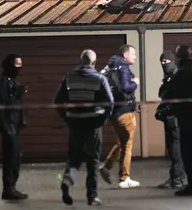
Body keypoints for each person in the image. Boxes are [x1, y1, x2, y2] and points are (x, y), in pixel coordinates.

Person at [54, 49, 114, 206]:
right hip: (93, 124)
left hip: (75, 124)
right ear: (94, 62)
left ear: (81, 61)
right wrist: (103, 119)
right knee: (92, 161)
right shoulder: (100, 78)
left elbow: (58, 101)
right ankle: (92, 196)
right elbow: (110, 102)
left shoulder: (69, 78)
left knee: (74, 159)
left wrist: (67, 117)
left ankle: (67, 182)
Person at [164, 45, 192, 196]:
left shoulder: (181, 73)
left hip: (186, 116)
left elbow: (171, 94)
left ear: (177, 56)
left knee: (188, 152)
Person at [99, 44, 140, 189]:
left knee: (122, 142)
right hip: (125, 111)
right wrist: (135, 83)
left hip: (113, 112)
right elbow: (125, 87)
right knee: (127, 145)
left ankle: (106, 167)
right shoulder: (123, 67)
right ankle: (125, 178)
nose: (135, 56)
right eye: (133, 53)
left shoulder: (109, 67)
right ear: (125, 55)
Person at [0, 54, 28, 200]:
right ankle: (8, 189)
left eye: (21, 65)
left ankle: (12, 187)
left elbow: (15, 104)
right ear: (9, 65)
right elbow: (1, 106)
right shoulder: (2, 84)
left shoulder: (13, 81)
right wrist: (4, 127)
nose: (19, 68)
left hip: (15, 125)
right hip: (9, 125)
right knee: (10, 158)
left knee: (16, 158)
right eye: (16, 65)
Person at [155, 51, 186, 189]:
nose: (163, 65)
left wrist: (165, 112)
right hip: (170, 119)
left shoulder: (178, 78)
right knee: (174, 150)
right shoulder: (169, 78)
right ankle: (177, 177)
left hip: (176, 120)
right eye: (161, 63)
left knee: (176, 150)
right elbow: (163, 95)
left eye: (166, 62)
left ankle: (178, 179)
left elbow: (177, 101)